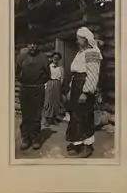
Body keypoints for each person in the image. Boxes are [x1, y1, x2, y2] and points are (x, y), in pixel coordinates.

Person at [66, 27, 103, 158]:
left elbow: (93, 74)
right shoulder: (80, 53)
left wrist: (86, 92)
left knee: (85, 116)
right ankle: (77, 143)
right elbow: (75, 74)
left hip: (84, 86)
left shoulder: (92, 52)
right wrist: (71, 89)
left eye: (78, 38)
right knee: (75, 115)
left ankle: (87, 146)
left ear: (85, 39)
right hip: (76, 85)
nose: (77, 41)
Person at [16, 40, 51, 150]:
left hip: (37, 89)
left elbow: (47, 74)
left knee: (35, 115)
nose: (32, 46)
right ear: (27, 45)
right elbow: (17, 72)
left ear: (38, 45)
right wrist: (23, 81)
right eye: (30, 43)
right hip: (25, 88)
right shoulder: (21, 57)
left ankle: (36, 139)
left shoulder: (43, 58)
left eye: (35, 44)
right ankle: (26, 138)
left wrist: (38, 83)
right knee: (26, 115)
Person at [43, 52, 64, 127]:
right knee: (48, 101)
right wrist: (46, 84)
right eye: (54, 57)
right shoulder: (49, 66)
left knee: (56, 102)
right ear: (52, 58)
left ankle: (53, 119)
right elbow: (45, 76)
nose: (56, 59)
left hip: (57, 84)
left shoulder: (61, 68)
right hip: (50, 83)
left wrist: (59, 84)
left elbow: (62, 78)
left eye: (57, 58)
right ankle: (46, 119)